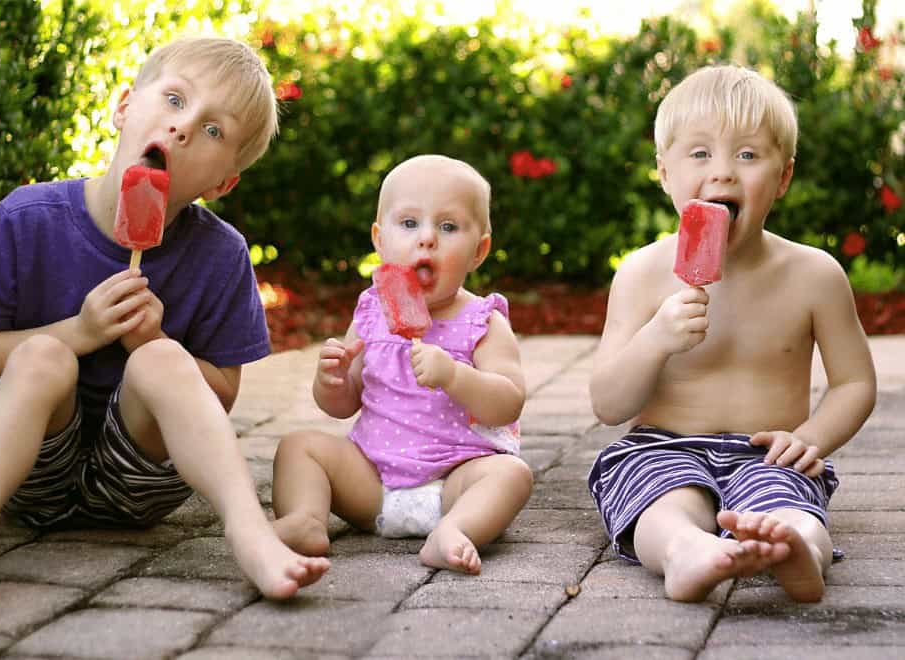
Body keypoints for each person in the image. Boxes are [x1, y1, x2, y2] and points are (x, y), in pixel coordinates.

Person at [0, 37, 330, 623]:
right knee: (44, 356)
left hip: (136, 486)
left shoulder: (221, 255)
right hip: (25, 470)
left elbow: (221, 395)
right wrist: (79, 331)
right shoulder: (26, 217)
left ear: (223, 184)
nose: (184, 127)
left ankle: (251, 534)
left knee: (162, 362)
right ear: (123, 107)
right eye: (173, 99)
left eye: (215, 131)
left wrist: (152, 343)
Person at [588, 64, 877, 603]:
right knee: (661, 501)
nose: (722, 173)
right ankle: (685, 551)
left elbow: (855, 383)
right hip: (661, 446)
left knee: (789, 503)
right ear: (664, 173)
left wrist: (811, 439)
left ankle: (801, 551)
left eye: (747, 155)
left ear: (783, 176)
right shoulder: (641, 274)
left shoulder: (814, 275)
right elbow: (608, 403)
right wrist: (654, 340)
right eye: (699, 154)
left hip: (767, 451)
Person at [271, 154, 532, 575]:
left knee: (512, 475)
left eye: (448, 227)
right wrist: (332, 381)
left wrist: (454, 375)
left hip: (455, 482)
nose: (426, 238)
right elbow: (344, 403)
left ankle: (454, 531)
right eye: (409, 224)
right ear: (379, 239)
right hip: (371, 483)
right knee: (297, 448)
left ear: (479, 250)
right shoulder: (372, 312)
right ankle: (306, 519)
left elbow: (509, 402)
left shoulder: (483, 321)